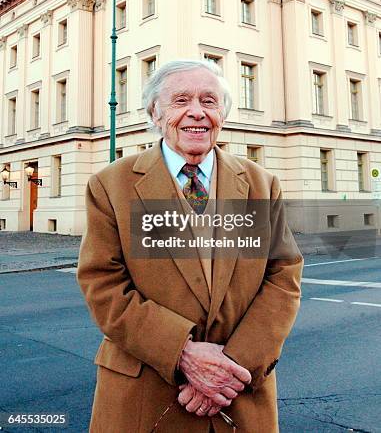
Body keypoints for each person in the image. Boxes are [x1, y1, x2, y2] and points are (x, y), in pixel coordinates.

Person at [77, 59, 304, 432]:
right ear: (155, 112)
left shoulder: (261, 183)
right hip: (145, 399)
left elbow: (283, 276)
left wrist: (229, 367)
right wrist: (181, 352)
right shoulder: (111, 185)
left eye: (209, 101)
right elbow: (103, 284)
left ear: (223, 114)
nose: (196, 112)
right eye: (180, 100)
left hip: (236, 393)